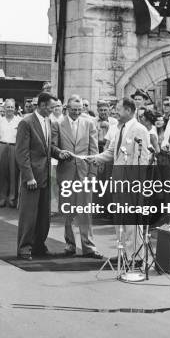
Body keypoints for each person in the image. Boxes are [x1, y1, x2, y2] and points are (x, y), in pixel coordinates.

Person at [88, 98, 150, 260]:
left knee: (132, 221)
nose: (115, 112)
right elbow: (111, 152)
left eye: (118, 109)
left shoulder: (140, 130)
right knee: (120, 220)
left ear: (129, 111)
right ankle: (123, 252)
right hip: (118, 180)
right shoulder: (118, 128)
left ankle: (135, 256)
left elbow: (143, 159)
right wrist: (96, 158)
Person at [51, 97, 102, 258]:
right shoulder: (57, 124)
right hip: (66, 173)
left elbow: (94, 151)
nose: (77, 112)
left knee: (85, 211)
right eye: (74, 109)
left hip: (84, 173)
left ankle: (89, 247)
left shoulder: (89, 124)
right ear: (67, 108)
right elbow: (52, 146)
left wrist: (93, 174)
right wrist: (59, 153)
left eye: (80, 109)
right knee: (68, 211)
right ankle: (70, 245)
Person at [16, 92, 57, 260]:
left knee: (43, 216)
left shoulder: (48, 121)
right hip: (32, 177)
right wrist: (28, 177)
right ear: (41, 105)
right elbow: (21, 153)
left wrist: (59, 153)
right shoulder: (26, 123)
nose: (53, 110)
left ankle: (39, 245)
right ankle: (24, 248)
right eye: (51, 107)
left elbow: (48, 148)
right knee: (29, 215)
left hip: (45, 175)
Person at [0, 99, 21, 208]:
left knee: (14, 174)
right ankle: (2, 199)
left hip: (14, 147)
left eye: (12, 107)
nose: (10, 109)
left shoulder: (19, 120)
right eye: (8, 107)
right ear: (4, 108)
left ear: (15, 109)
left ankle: (12, 199)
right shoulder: (0, 120)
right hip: (2, 146)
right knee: (2, 173)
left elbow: (21, 138)